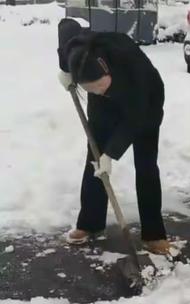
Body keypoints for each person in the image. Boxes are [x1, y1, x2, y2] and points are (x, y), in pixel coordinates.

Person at [57, 18, 173, 255]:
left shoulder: (131, 64)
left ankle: (154, 234)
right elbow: (66, 26)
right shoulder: (78, 53)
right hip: (104, 109)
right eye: (91, 89)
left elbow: (135, 119)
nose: (98, 91)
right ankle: (90, 223)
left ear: (106, 68)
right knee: (94, 159)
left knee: (146, 164)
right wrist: (65, 71)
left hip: (145, 103)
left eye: (100, 85)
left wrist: (111, 154)